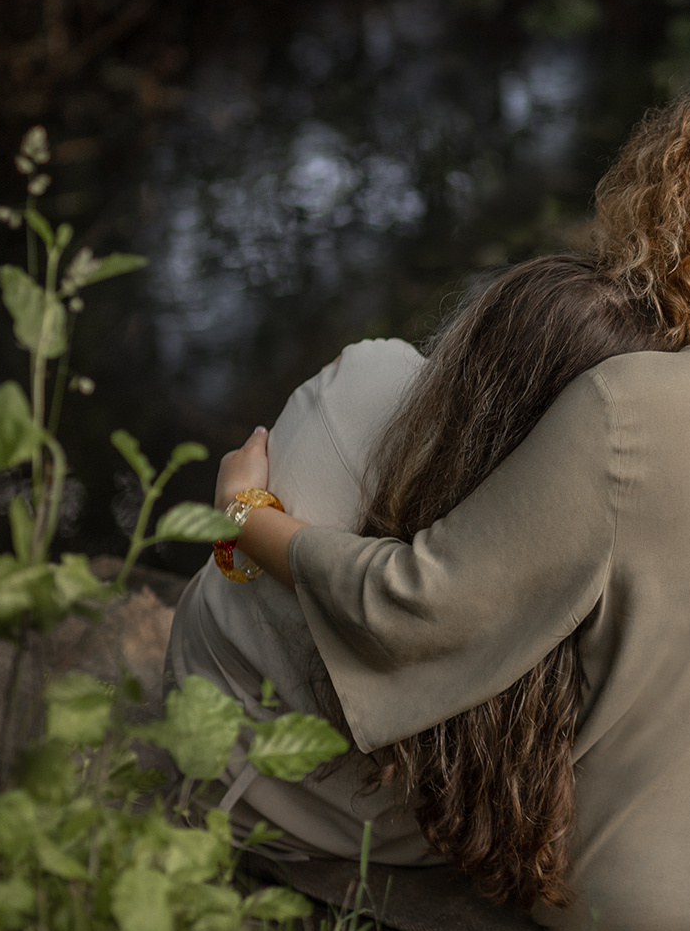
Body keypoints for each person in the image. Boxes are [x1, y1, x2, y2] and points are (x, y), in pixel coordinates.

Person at [214, 72, 690, 931]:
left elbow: (419, 604)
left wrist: (246, 513)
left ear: (678, 211)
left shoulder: (629, 408)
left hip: (663, 905)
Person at [165, 255, 664, 889]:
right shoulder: (564, 542)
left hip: (200, 726)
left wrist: (240, 514)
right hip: (365, 831)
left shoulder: (365, 369)